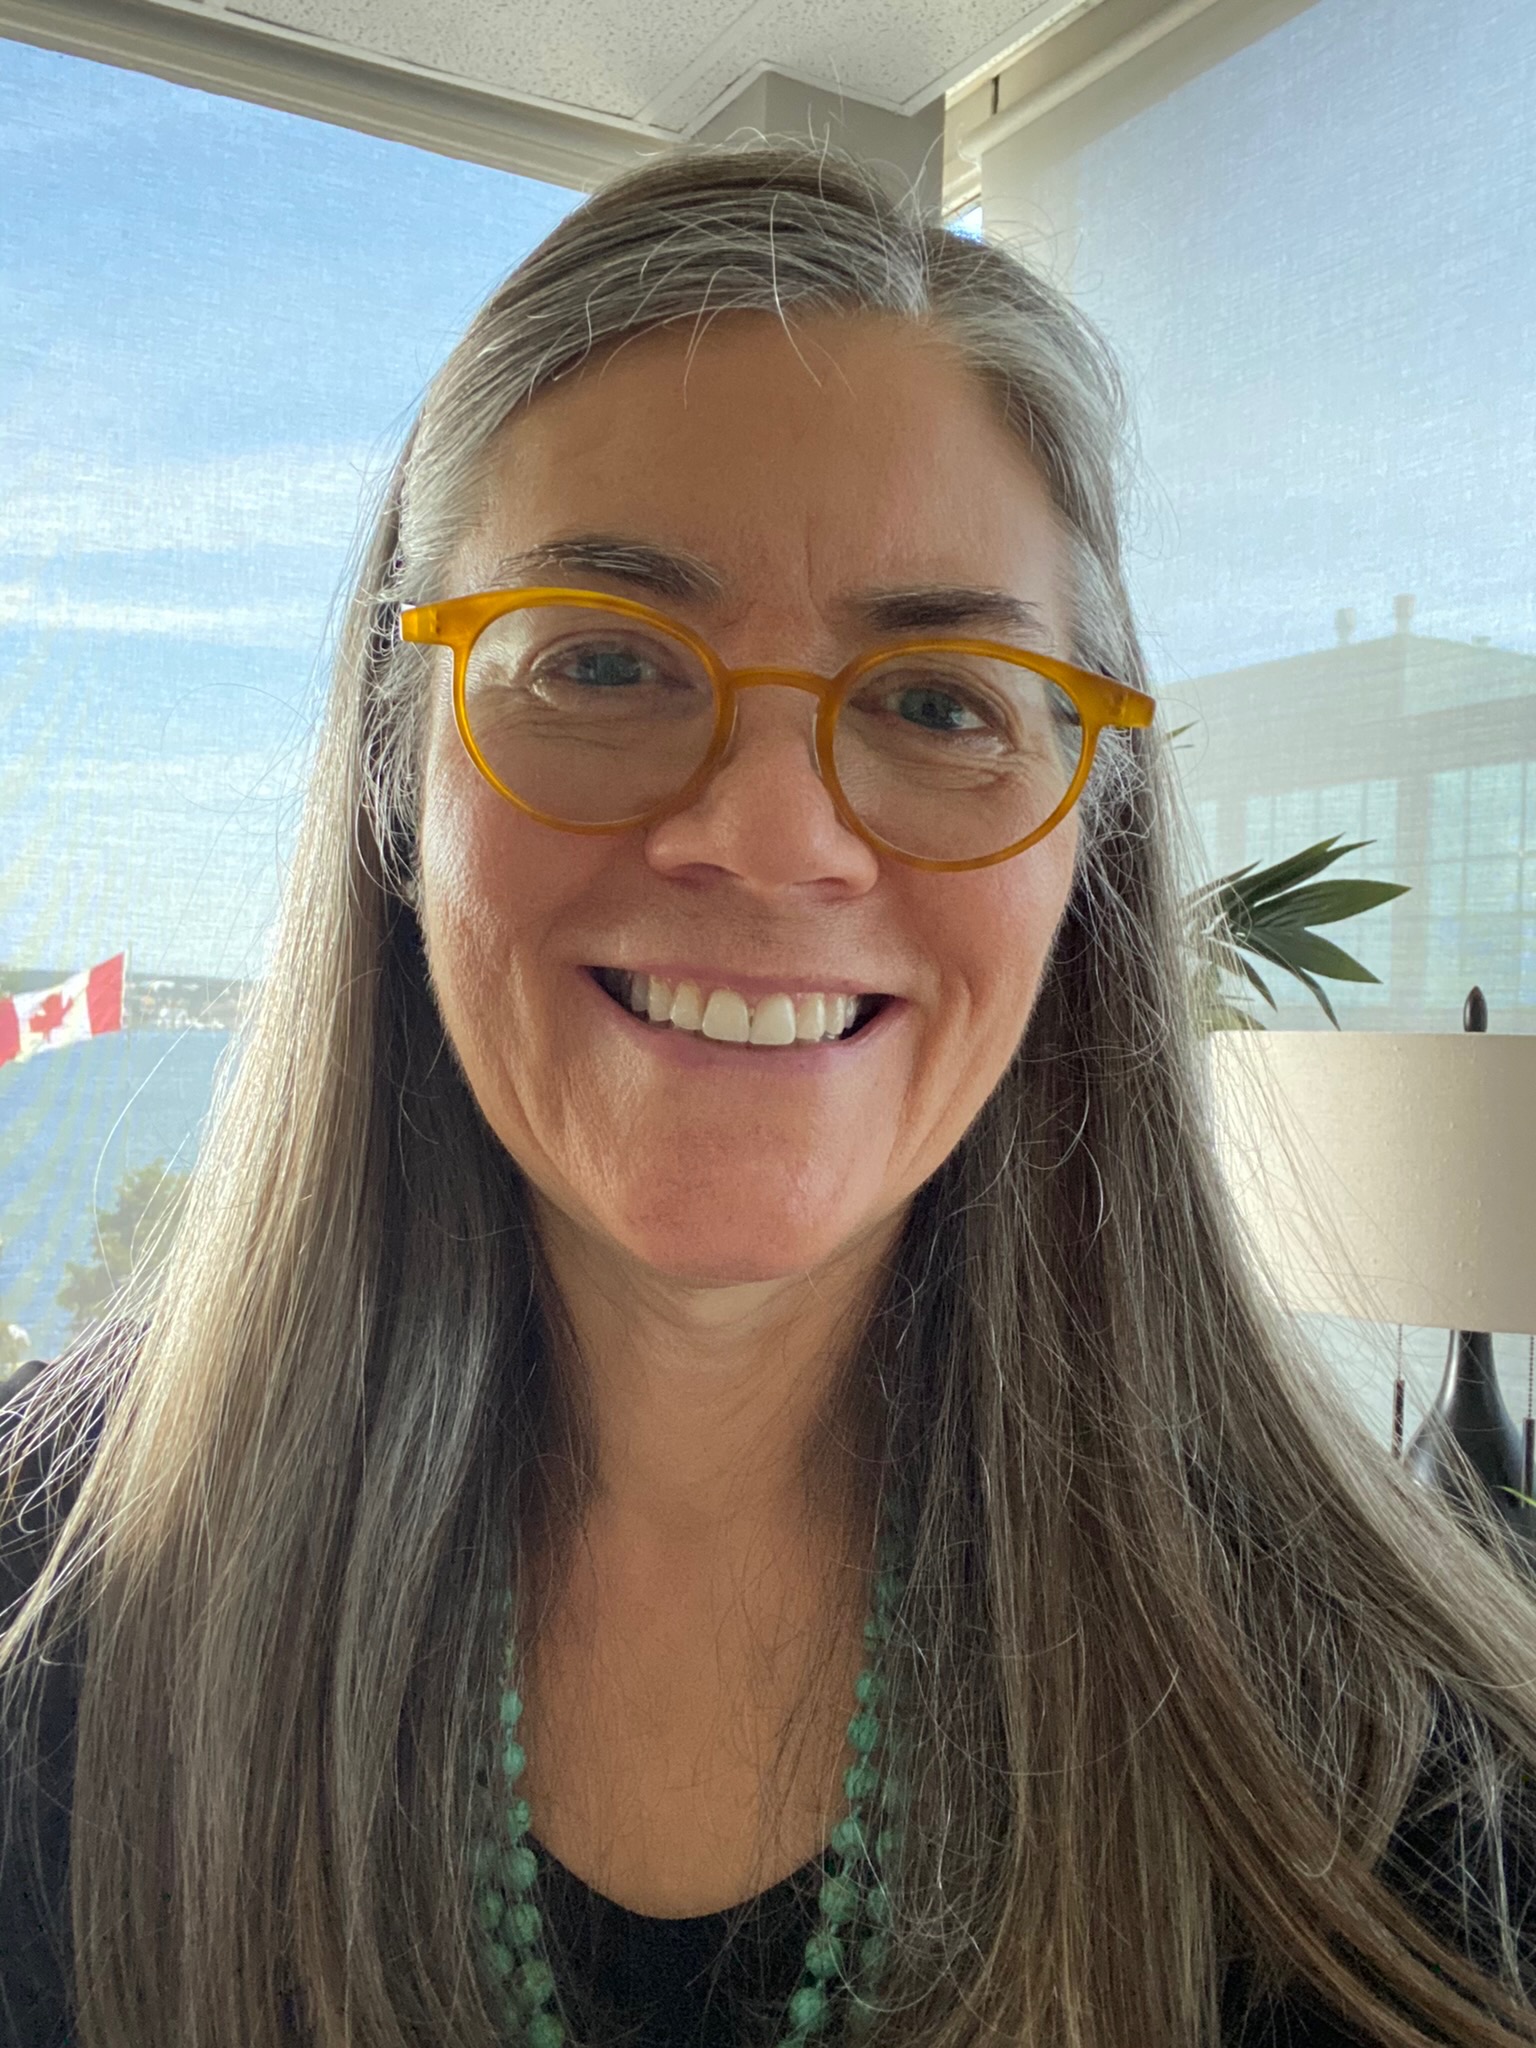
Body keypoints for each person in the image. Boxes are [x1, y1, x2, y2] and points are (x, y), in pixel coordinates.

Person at [3, 140, 1535, 2048]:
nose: (769, 834)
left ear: (1090, 842)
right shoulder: (48, 1594)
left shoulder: (1411, 1785)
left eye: (940, 700)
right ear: (398, 764)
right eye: (603, 663)